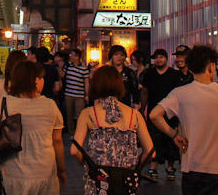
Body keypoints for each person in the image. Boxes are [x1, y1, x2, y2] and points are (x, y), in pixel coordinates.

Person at [149, 45, 218, 195]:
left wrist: (174, 135)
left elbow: (154, 115)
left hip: (192, 166)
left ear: (191, 69)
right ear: (211, 67)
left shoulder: (180, 93)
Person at [0, 60, 66, 195]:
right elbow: (57, 141)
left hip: (11, 173)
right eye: (41, 78)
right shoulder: (50, 105)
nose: (43, 81)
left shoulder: (3, 104)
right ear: (34, 80)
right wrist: (61, 169)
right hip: (44, 172)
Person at [71, 66, 153, 195]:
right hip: (125, 180)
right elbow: (150, 152)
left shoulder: (88, 114)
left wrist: (90, 167)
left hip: (98, 180)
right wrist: (134, 167)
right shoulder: (134, 115)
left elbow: (74, 150)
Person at [141, 47, 184, 183]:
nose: (159, 60)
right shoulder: (149, 74)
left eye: (161, 57)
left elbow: (178, 95)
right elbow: (145, 92)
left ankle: (170, 168)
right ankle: (153, 168)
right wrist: (143, 109)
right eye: (156, 57)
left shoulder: (174, 74)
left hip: (170, 113)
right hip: (154, 111)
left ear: (166, 59)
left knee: (170, 139)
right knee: (154, 140)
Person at [62, 48, 90, 132]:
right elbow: (62, 76)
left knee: (80, 115)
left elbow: (86, 83)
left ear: (77, 57)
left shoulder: (84, 69)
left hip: (79, 95)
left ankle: (79, 132)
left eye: (73, 55)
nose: (71, 57)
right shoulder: (67, 67)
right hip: (68, 94)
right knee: (69, 115)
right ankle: (71, 132)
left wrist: (87, 95)